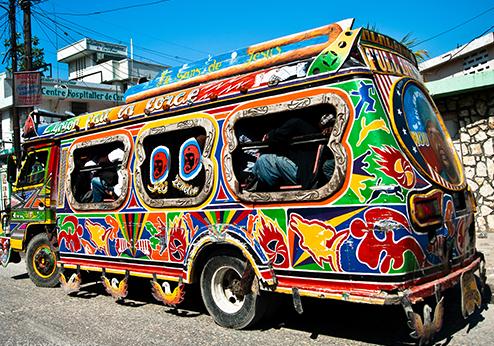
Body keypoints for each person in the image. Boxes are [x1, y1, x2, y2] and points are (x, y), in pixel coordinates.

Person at [249, 113, 335, 191]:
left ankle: (254, 181)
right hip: (305, 172)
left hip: (302, 174)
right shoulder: (315, 133)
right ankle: (254, 179)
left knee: (264, 160)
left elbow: (283, 132)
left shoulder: (297, 123)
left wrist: (269, 136)